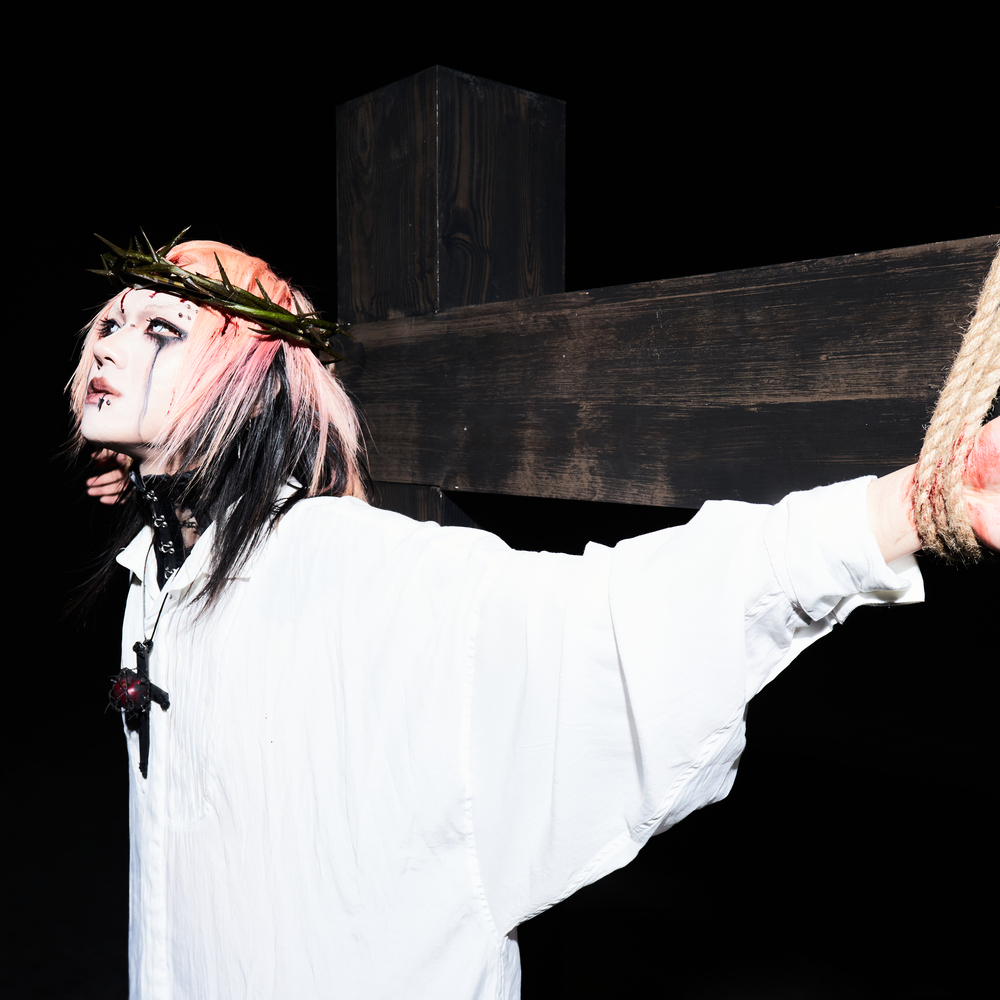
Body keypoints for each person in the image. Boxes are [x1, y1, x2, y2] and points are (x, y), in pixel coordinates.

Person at [71, 237, 1000, 999]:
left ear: (248, 375)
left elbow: (611, 617)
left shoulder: (347, 569)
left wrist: (906, 509)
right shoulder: (159, 575)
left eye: (163, 328)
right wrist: (165, 485)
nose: (110, 345)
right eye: (111, 321)